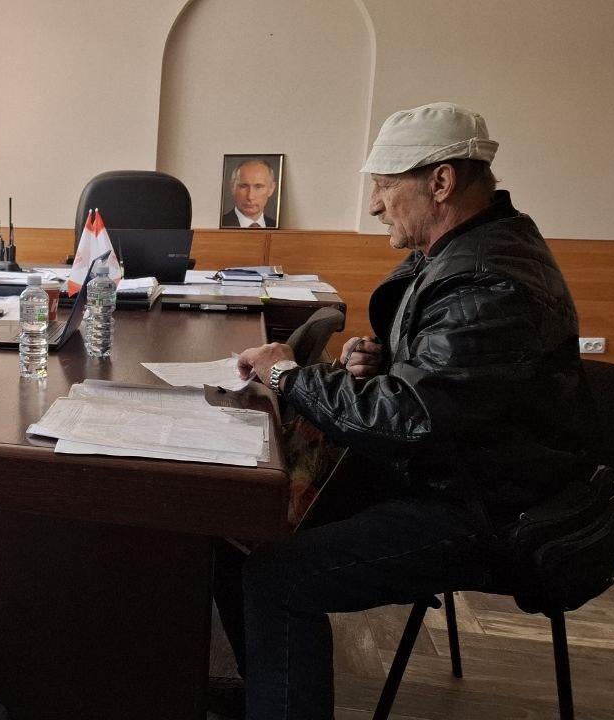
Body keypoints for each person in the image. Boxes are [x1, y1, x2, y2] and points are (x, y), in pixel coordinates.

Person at [221, 102, 593, 719]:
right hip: (457, 472)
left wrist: (287, 374)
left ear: (440, 182)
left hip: (492, 508)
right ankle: (269, 688)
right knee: (237, 521)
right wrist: (389, 361)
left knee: (275, 577)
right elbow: (450, 384)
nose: (374, 206)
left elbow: (412, 418)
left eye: (384, 187)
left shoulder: (489, 279)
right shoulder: (469, 249)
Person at [220, 159, 278, 228]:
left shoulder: (278, 227)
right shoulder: (217, 224)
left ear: (271, 189)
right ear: (232, 187)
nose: (250, 197)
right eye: (243, 186)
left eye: (258, 187)